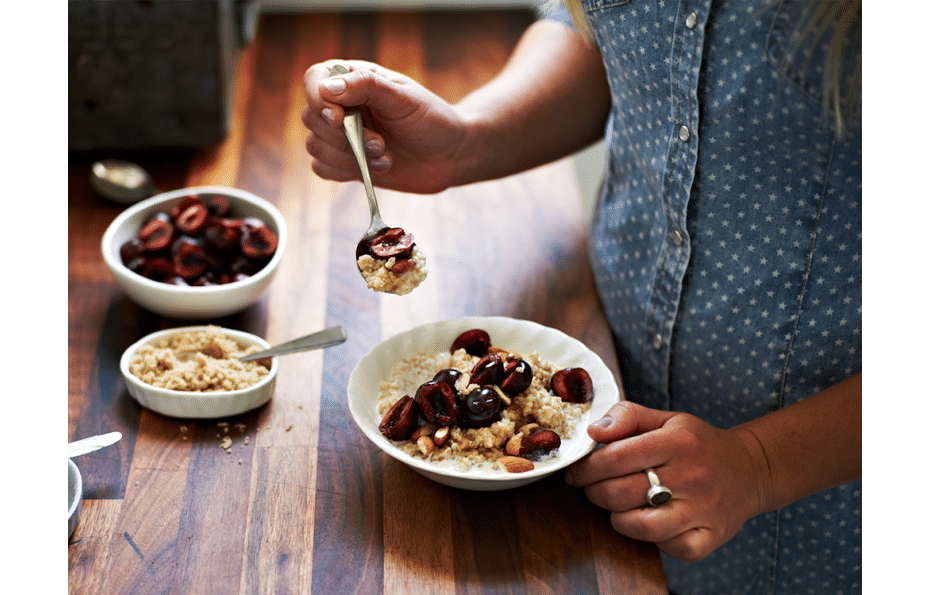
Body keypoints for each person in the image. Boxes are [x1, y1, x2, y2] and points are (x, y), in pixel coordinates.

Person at [301, 1, 862, 593]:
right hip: (604, 397)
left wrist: (760, 464)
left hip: (821, 513)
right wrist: (466, 139)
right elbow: (602, 32)